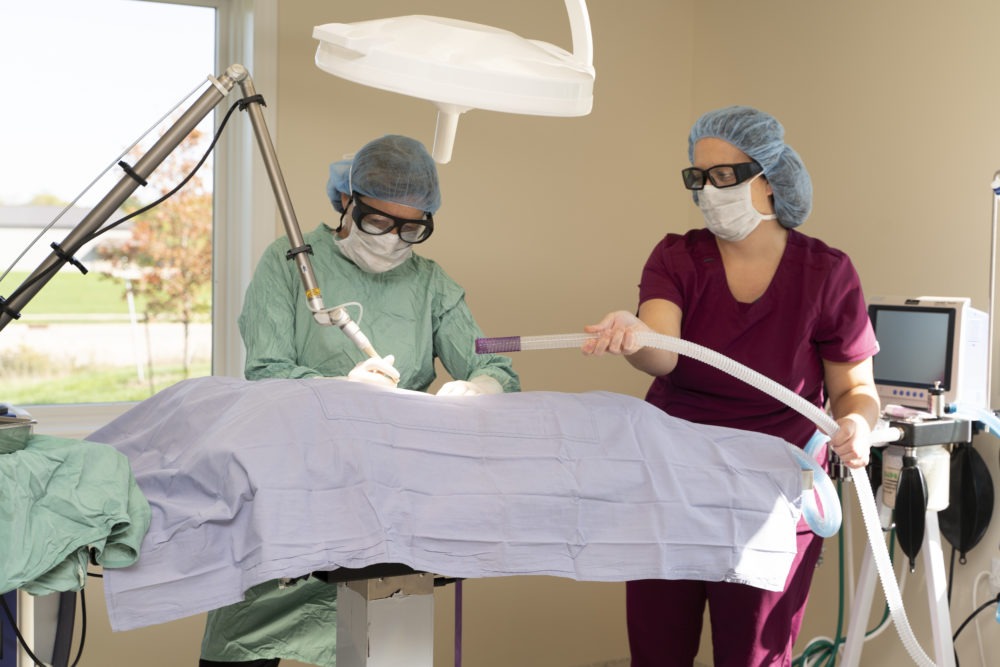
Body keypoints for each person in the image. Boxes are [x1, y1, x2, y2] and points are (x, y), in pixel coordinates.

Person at [199, 134, 520, 667]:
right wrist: (342, 391)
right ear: (346, 202)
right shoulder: (289, 264)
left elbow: (497, 367)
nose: (393, 239)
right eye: (378, 221)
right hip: (289, 498)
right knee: (242, 646)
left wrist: (477, 390)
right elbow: (266, 373)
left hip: (383, 512)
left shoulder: (432, 286)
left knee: (381, 643)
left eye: (411, 227)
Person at [582, 106, 880, 666]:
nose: (706, 191)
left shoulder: (827, 273)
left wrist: (858, 424)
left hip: (770, 494)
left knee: (755, 657)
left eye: (723, 176)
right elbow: (664, 353)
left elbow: (855, 389)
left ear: (771, 179)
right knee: (658, 652)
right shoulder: (677, 256)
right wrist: (633, 331)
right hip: (670, 483)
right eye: (697, 177)